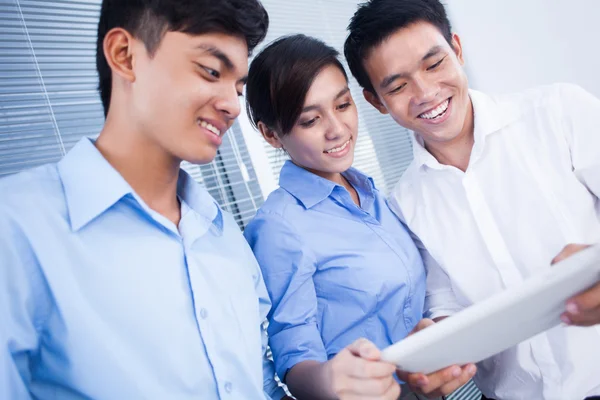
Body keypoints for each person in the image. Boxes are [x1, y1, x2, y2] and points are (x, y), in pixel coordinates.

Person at [0, 0, 288, 398]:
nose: (232, 105)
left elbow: (259, 384)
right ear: (125, 55)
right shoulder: (16, 229)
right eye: (210, 71)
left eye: (237, 87)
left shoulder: (225, 239)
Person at [344, 0, 600, 399]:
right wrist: (439, 351)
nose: (426, 92)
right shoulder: (404, 205)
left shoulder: (559, 113)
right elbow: (445, 303)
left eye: (435, 64)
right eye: (397, 86)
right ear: (376, 101)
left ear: (458, 50)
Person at [243, 34, 475, 400]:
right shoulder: (279, 227)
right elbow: (295, 357)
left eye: (342, 105)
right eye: (310, 120)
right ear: (272, 135)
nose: (337, 129)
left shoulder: (373, 196)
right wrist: (330, 382)